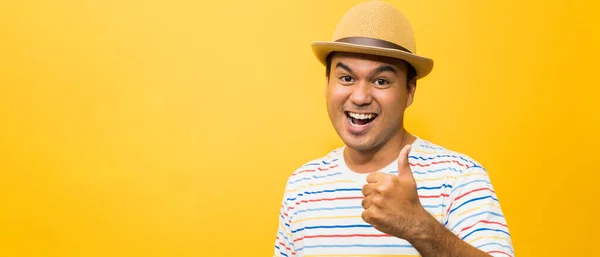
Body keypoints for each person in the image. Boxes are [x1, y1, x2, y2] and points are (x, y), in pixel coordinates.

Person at [274, 1, 514, 257]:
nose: (360, 97)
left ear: (410, 91)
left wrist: (418, 226)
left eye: (381, 81)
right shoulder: (301, 185)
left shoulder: (458, 178)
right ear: (327, 83)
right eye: (346, 78)